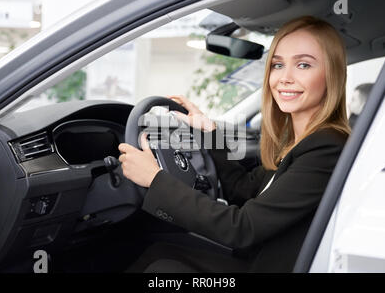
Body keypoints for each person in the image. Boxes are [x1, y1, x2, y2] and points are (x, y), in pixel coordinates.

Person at [117, 16, 351, 273]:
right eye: (277, 65)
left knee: (161, 271)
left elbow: (242, 227)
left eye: (304, 65)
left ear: (332, 74)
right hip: (258, 259)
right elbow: (244, 189)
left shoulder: (327, 148)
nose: (285, 77)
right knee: (156, 252)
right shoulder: (298, 142)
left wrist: (155, 179)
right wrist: (208, 132)